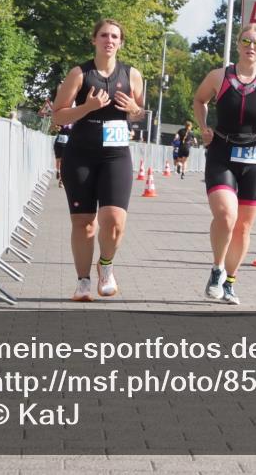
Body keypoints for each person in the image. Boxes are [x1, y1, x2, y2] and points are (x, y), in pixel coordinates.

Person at [193, 23, 256, 306]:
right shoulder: (219, 76)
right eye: (246, 41)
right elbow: (200, 100)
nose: (251, 47)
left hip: (254, 156)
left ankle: (230, 282)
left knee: (242, 227)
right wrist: (203, 127)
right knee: (226, 215)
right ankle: (216, 269)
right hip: (222, 152)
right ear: (238, 44)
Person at [52, 18, 145, 302]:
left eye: (115, 36)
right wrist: (87, 107)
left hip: (115, 156)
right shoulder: (79, 74)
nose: (109, 40)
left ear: (121, 42)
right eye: (104, 35)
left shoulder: (132, 75)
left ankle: (106, 265)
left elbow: (140, 112)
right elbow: (57, 115)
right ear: (94, 40)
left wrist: (134, 109)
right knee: (84, 223)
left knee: (114, 220)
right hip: (81, 155)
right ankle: (83, 282)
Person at [53, 122, 72, 188]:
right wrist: (56, 128)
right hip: (59, 143)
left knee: (64, 163)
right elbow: (53, 126)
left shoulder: (73, 121)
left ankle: (61, 181)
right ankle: (58, 171)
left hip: (68, 144)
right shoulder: (62, 119)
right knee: (58, 160)